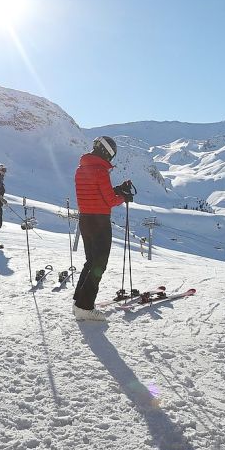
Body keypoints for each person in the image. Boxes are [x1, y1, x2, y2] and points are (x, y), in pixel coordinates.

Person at [72, 136, 132, 321]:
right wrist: (124, 197)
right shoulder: (101, 171)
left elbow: (97, 193)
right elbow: (110, 200)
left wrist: (118, 189)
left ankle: (78, 302)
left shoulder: (81, 169)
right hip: (100, 223)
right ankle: (85, 306)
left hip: (85, 220)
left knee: (90, 261)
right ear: (106, 151)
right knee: (99, 264)